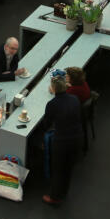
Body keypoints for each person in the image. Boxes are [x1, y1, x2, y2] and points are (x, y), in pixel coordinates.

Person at [40, 73, 84, 205]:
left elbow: (46, 123)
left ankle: (54, 197)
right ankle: (64, 191)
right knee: (68, 167)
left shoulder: (52, 103)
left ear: (53, 89)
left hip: (62, 141)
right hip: (77, 137)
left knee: (58, 168)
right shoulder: (74, 98)